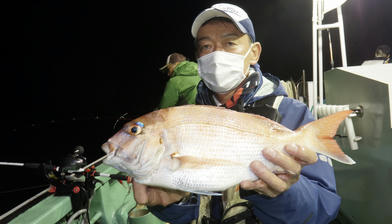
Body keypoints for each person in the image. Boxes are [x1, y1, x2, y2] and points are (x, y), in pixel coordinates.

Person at [133, 3, 340, 224]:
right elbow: (195, 210)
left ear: (254, 53)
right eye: (205, 46)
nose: (216, 54)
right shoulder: (187, 118)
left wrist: (283, 193)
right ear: (198, 59)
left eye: (229, 43)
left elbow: (324, 209)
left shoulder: (292, 114)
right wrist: (172, 204)